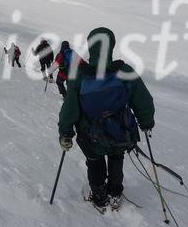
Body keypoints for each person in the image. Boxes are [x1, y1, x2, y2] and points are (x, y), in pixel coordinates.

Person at [57, 27, 155, 211]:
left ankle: (100, 197)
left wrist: (65, 131)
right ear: (111, 46)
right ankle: (115, 193)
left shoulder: (79, 74)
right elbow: (143, 100)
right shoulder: (124, 70)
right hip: (120, 132)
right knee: (116, 157)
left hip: (90, 135)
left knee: (94, 161)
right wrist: (146, 121)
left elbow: (70, 108)